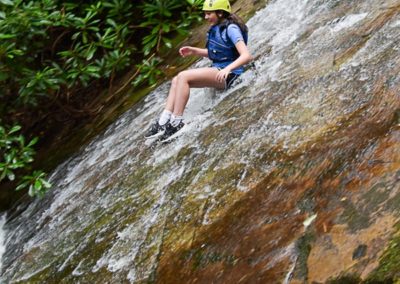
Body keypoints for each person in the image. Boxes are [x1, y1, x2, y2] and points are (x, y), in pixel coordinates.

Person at [145, 0, 253, 142]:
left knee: (184, 76)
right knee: (176, 80)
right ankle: (164, 120)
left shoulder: (231, 28)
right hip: (219, 69)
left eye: (209, 14)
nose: (205, 17)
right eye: (205, 14)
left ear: (220, 13)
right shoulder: (216, 27)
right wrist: (194, 50)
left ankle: (177, 122)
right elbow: (218, 53)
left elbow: (246, 55)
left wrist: (228, 69)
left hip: (231, 73)